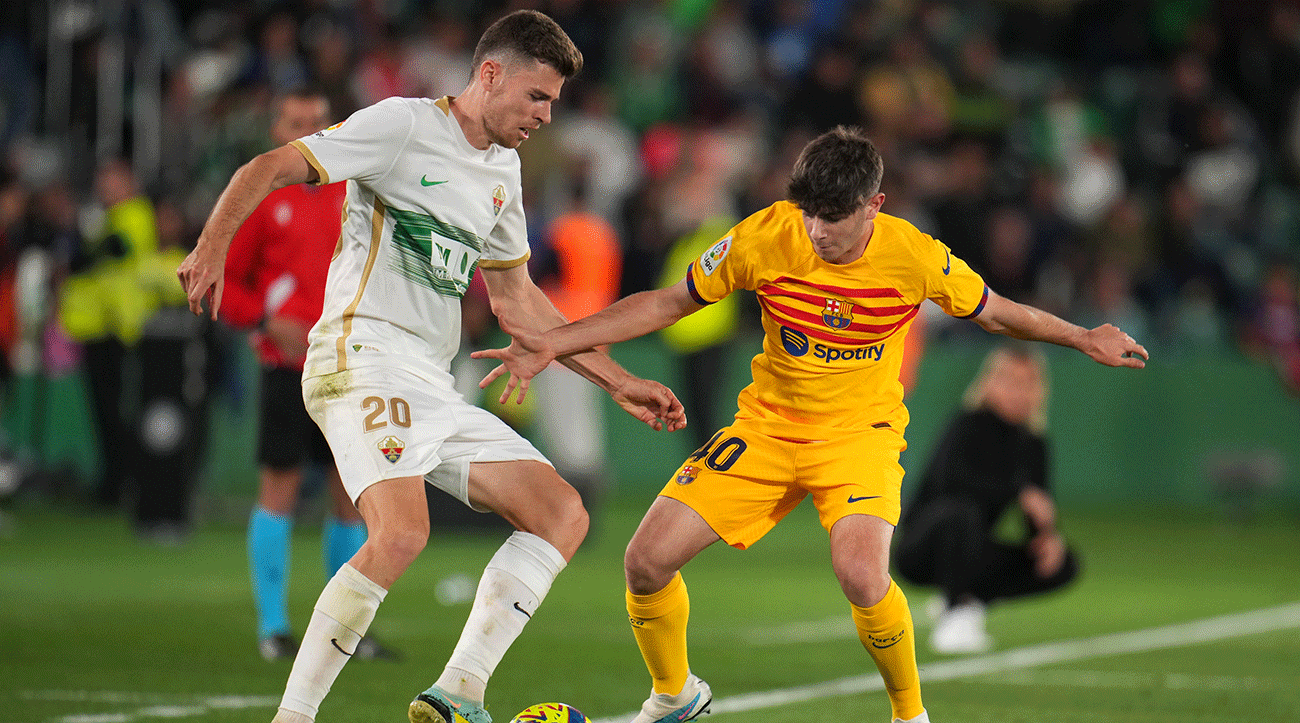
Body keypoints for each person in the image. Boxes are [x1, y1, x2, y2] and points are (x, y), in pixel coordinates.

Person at [473, 125, 1148, 723]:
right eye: (810, 213)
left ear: (874, 205)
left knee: (860, 573)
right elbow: (670, 301)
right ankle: (675, 694)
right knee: (645, 561)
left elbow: (997, 311)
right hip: (767, 427)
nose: (819, 229)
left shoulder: (913, 255)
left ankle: (909, 714)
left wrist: (1082, 336)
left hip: (859, 437)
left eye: (834, 217)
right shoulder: (768, 234)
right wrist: (557, 341)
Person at [177, 11, 686, 723]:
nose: (546, 115)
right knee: (402, 533)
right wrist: (211, 248)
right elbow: (270, 165)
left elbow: (518, 302)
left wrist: (619, 379)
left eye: (555, 103)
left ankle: (458, 693)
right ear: (490, 74)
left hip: (428, 380)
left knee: (560, 513)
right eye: (537, 97)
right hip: (359, 355)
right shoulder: (402, 125)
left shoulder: (502, 173)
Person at [219, 87, 396, 662]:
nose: (307, 131)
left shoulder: (355, 192)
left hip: (351, 367)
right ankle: (274, 627)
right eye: (296, 123)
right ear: (277, 131)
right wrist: (268, 322)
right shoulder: (263, 201)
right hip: (287, 370)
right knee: (281, 492)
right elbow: (225, 284)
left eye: (317, 122)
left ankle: (345, 632)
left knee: (353, 499)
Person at [894, 344, 1078, 655]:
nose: (1019, 392)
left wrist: (1046, 536)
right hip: (921, 549)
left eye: (1028, 383)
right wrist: (1016, 491)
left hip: (972, 548)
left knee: (1063, 562)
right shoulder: (967, 424)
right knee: (960, 513)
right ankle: (954, 610)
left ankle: (970, 600)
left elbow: (1038, 509)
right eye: (1010, 381)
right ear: (990, 382)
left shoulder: (1033, 442)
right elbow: (948, 486)